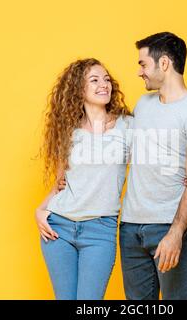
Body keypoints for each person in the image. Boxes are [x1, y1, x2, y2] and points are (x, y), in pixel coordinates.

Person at [119, 32, 187, 300]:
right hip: (130, 228)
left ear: (164, 64)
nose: (139, 72)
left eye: (143, 64)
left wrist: (176, 233)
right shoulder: (143, 104)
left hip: (167, 228)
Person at [35, 58, 133, 300]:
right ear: (79, 89)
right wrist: (39, 209)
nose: (104, 85)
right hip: (59, 228)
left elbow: (152, 165)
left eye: (107, 79)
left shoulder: (127, 126)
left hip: (100, 230)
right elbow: (61, 184)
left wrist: (181, 176)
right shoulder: (68, 130)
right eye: (95, 80)